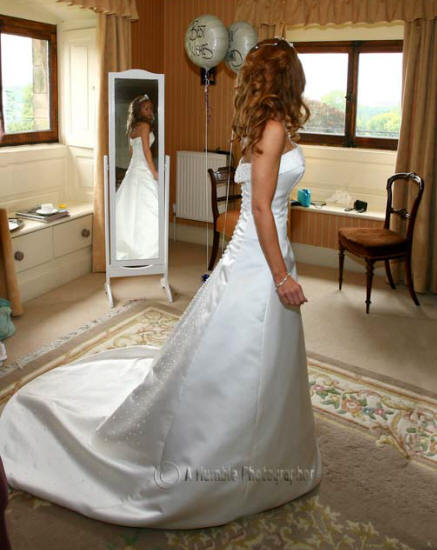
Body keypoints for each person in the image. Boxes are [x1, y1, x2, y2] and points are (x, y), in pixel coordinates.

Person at [0, 38, 322, 529]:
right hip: (262, 257)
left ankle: (264, 439)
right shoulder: (273, 128)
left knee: (251, 349)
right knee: (245, 347)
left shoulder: (265, 125)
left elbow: (264, 203)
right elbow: (260, 208)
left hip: (263, 250)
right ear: (289, 79)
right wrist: (281, 276)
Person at [115, 94, 159, 260]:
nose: (149, 111)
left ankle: (134, 248)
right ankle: (146, 251)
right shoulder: (145, 126)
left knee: (132, 209)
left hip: (134, 168)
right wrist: (154, 172)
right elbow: (146, 151)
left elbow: (131, 152)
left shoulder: (132, 128)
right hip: (142, 168)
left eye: (150, 108)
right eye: (146, 108)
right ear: (138, 110)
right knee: (147, 208)